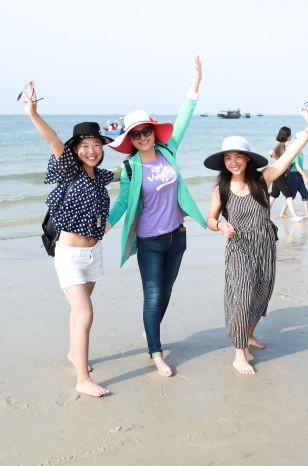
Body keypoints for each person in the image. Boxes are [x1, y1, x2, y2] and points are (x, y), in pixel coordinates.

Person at [107, 56, 206, 377]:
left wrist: (196, 83)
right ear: (130, 140)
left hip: (177, 236)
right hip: (149, 242)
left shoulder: (167, 151)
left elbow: (185, 117)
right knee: (152, 296)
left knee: (166, 291)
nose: (143, 137)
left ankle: (150, 331)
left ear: (153, 131)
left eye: (146, 131)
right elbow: (123, 203)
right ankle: (156, 353)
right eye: (136, 135)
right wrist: (105, 224)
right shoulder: (130, 167)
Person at [204, 107, 308, 375]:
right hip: (239, 247)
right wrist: (220, 225)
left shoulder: (262, 179)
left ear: (247, 159)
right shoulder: (221, 188)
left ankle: (249, 333)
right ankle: (239, 353)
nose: (233, 162)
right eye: (228, 158)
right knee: (242, 296)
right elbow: (210, 219)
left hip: (265, 244)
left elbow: (288, 155)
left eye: (238, 157)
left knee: (261, 294)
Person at [24, 82, 114, 397]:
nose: (92, 150)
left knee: (78, 312)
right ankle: (82, 379)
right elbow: (52, 141)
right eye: (85, 145)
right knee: (85, 312)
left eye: (97, 145)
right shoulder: (69, 170)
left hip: (93, 254)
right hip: (69, 256)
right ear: (75, 149)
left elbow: (126, 174)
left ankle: (75, 354)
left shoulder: (99, 176)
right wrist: (33, 113)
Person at [268, 126, 302, 221]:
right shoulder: (278, 144)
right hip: (278, 173)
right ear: (285, 135)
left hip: (279, 172)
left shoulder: (283, 145)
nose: (291, 135)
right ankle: (294, 216)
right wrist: (280, 161)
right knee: (289, 195)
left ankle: (264, 215)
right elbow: (271, 152)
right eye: (290, 134)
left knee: (274, 194)